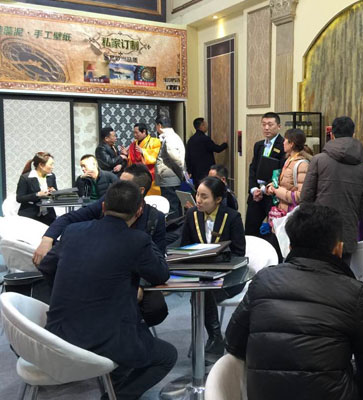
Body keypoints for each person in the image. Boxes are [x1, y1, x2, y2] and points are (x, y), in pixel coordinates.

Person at [226, 203, 363, 400]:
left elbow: (233, 343)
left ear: (290, 247)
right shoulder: (356, 295)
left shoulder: (262, 281)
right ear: (338, 249)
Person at [39, 180, 176, 400]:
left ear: (103, 206)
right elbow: (161, 274)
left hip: (58, 335)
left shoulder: (73, 232)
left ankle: (114, 382)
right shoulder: (137, 240)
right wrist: (144, 237)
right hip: (106, 339)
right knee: (167, 356)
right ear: (139, 212)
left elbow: (47, 267)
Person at [33, 164, 169, 327]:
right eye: (118, 182)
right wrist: (47, 239)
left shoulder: (154, 219)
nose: (118, 187)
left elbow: (158, 263)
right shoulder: (108, 202)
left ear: (140, 191)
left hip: (136, 277)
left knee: (155, 308)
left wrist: (139, 286)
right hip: (97, 274)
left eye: (124, 184)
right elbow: (70, 218)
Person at [181, 176, 245, 361]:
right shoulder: (192, 214)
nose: (198, 200)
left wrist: (217, 258)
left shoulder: (232, 217)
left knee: (202, 293)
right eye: (197, 195)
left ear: (218, 199)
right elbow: (184, 246)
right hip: (202, 275)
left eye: (204, 196)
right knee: (202, 291)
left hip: (229, 277)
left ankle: (214, 337)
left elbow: (239, 252)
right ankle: (215, 337)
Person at [301, 116, 363, 263]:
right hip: (347, 232)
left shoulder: (319, 160)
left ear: (332, 134)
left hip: (319, 230)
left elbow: (306, 197)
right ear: (353, 134)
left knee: (316, 272)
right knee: (342, 272)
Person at [245, 112, 286, 236]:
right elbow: (253, 168)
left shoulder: (283, 145)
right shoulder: (258, 145)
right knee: (250, 229)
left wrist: (264, 189)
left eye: (270, 124)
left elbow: (280, 171)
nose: (266, 128)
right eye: (263, 124)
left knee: (274, 232)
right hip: (256, 194)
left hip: (272, 194)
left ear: (278, 126)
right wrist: (253, 189)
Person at [265, 128, 312, 214]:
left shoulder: (302, 165)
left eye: (285, 140)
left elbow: (300, 196)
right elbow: (283, 183)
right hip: (282, 210)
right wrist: (271, 187)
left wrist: (277, 191)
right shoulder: (288, 160)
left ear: (291, 144)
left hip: (292, 213)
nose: (283, 143)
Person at [155, 116, 186, 219]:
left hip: (170, 179)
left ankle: (173, 228)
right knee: (174, 205)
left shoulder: (169, 138)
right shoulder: (172, 136)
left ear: (159, 126)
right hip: (171, 177)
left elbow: (175, 158)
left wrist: (181, 171)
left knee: (171, 207)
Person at [16, 152, 57, 225]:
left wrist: (54, 192)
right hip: (29, 216)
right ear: (41, 165)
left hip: (48, 215)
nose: (52, 167)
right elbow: (19, 198)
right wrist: (37, 194)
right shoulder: (25, 178)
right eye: (51, 164)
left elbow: (55, 194)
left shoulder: (51, 176)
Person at [186, 117, 228, 188]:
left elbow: (187, 157)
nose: (207, 126)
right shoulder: (205, 139)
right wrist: (225, 144)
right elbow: (217, 149)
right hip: (206, 171)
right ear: (202, 125)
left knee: (198, 189)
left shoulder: (190, 140)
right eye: (205, 124)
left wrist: (189, 171)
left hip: (195, 172)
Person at [128, 122, 162, 195]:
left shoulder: (155, 141)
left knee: (152, 195)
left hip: (151, 174)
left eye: (136, 133)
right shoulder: (133, 144)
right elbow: (131, 159)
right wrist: (126, 154)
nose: (135, 135)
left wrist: (143, 151)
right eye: (134, 133)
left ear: (144, 131)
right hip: (136, 174)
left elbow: (157, 154)